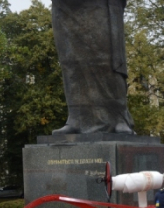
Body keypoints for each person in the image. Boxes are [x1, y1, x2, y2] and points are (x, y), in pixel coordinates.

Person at [51, 0, 135, 135]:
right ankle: (76, 118)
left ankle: (119, 117)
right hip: (65, 7)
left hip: (100, 6)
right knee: (72, 63)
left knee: (105, 62)